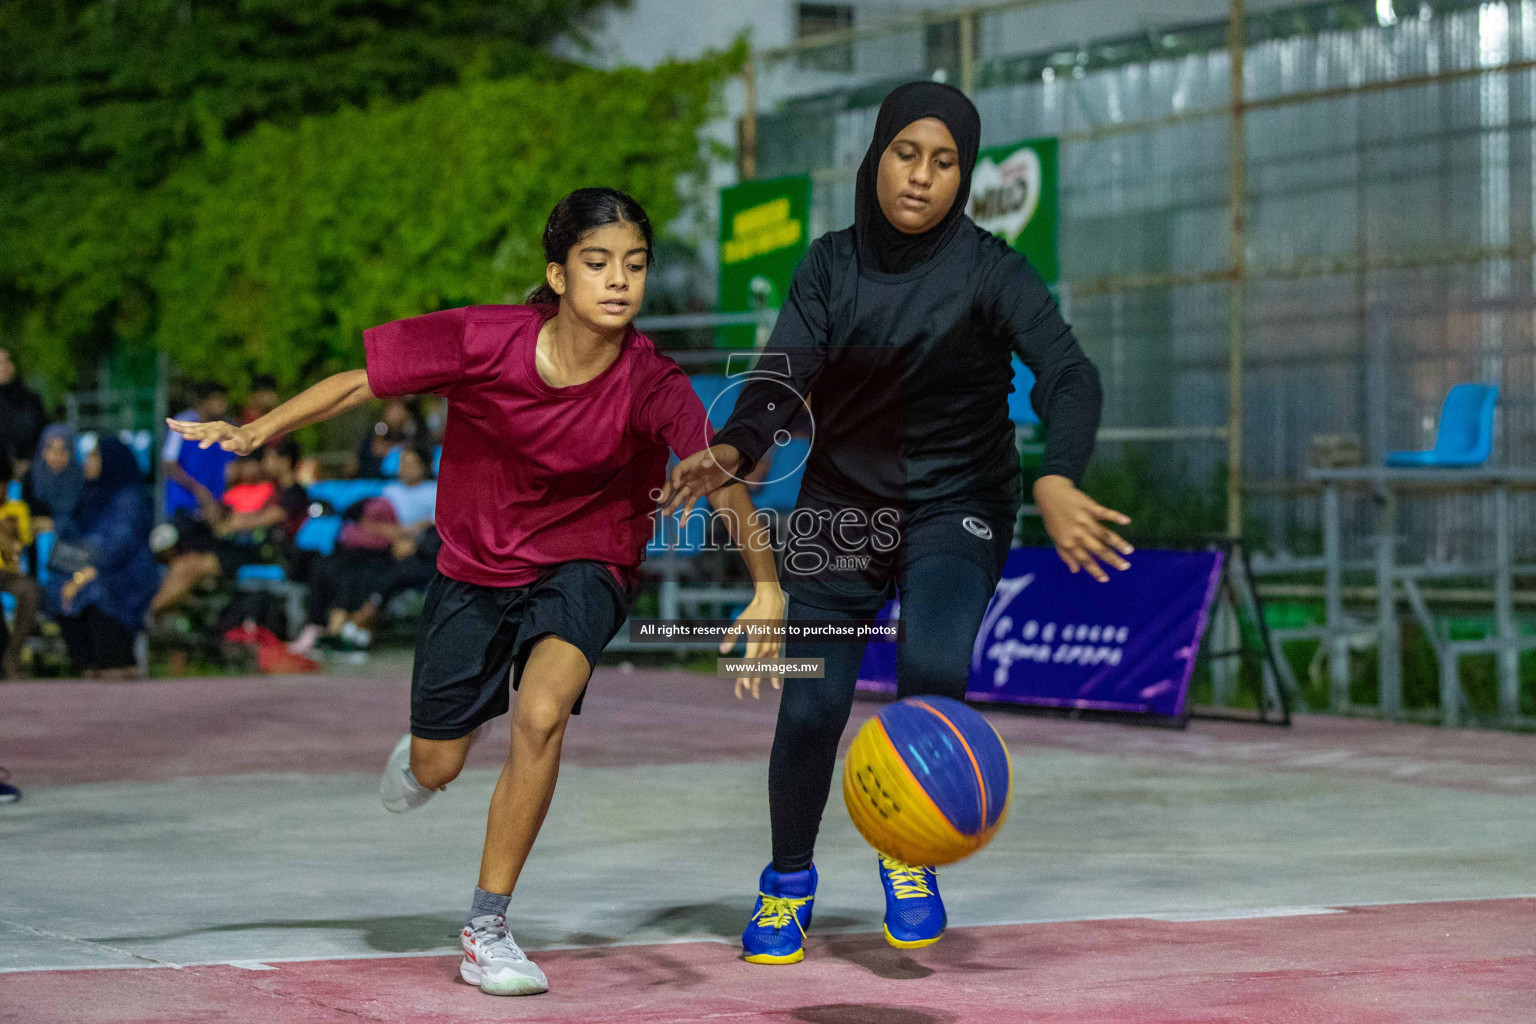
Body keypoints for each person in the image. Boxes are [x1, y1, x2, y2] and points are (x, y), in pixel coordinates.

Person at [168, 186, 786, 997]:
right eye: (597, 263)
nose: (618, 280)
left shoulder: (651, 379)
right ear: (557, 274)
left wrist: (767, 589)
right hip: (475, 567)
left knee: (541, 712)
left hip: (587, 562)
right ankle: (428, 762)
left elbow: (719, 473)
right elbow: (360, 384)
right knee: (437, 761)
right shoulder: (483, 339)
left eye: (634, 265)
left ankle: (487, 926)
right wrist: (255, 433)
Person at [663, 81, 1134, 965]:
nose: (922, 177)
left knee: (932, 668)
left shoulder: (990, 270)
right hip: (842, 505)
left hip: (958, 503)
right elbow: (778, 381)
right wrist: (731, 452)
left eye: (945, 161)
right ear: (876, 157)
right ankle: (788, 881)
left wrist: (1060, 476)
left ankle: (908, 856)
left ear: (964, 175)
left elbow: (1071, 374)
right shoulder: (829, 266)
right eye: (906, 154)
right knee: (810, 707)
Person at [147, 440, 310, 617]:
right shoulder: (274, 490)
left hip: (268, 556)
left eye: (270, 457)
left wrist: (228, 523)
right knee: (185, 559)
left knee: (191, 565)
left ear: (285, 462)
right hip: (250, 550)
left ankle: (149, 613)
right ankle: (155, 612)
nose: (265, 462)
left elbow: (263, 519)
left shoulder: (295, 494)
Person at [46, 435, 157, 680]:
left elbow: (120, 544)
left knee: (94, 590)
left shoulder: (130, 497)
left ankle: (115, 661)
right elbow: (71, 537)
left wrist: (84, 574)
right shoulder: (89, 495)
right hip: (87, 567)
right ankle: (86, 663)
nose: (87, 461)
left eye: (94, 456)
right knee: (56, 586)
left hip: (124, 572)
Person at [162, 380, 235, 516]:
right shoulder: (183, 424)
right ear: (203, 402)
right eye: (217, 399)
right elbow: (169, 464)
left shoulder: (227, 428)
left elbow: (230, 466)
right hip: (183, 508)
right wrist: (198, 490)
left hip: (214, 509)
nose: (222, 404)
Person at [0, 452, 40, 679]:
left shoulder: (18, 509)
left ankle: (12, 657)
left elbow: (21, 549)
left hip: (8, 571)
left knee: (31, 592)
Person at [0, 348, 48, 481]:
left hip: (31, 469)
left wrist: (29, 461)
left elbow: (43, 433)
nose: (2, 367)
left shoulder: (31, 399)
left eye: (6, 361)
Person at [29, 424, 84, 532]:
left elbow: (86, 520)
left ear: (72, 452)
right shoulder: (29, 479)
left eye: (63, 450)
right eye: (52, 449)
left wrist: (54, 524)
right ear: (43, 451)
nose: (57, 456)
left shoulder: (83, 481)